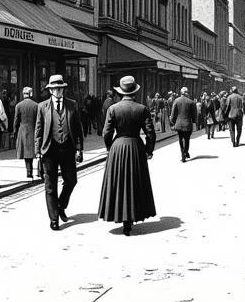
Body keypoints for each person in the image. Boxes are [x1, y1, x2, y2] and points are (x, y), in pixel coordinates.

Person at [98, 75, 156, 235]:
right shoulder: (142, 109)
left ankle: (120, 215)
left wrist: (110, 147)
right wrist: (148, 150)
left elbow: (106, 133)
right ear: (134, 92)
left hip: (118, 147)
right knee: (135, 182)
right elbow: (150, 133)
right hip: (136, 147)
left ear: (120, 92)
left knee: (118, 182)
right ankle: (130, 219)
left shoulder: (113, 109)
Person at [35, 75, 84, 231]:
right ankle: (54, 218)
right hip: (49, 150)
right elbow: (38, 130)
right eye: (55, 88)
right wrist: (37, 152)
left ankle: (61, 205)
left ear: (63, 89)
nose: (58, 91)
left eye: (60, 88)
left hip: (68, 149)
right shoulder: (42, 107)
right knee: (50, 186)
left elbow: (78, 129)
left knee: (71, 180)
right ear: (50, 90)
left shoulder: (72, 105)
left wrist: (79, 148)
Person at [14, 87, 39, 179]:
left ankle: (29, 172)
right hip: (33, 129)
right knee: (35, 151)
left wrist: (15, 132)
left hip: (23, 130)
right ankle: (37, 171)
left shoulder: (18, 105)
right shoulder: (36, 105)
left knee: (26, 153)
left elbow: (16, 121)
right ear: (31, 94)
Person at [170, 87, 197, 162]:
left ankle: (183, 154)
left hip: (178, 124)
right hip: (188, 124)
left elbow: (173, 114)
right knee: (187, 139)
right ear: (187, 93)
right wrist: (194, 122)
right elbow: (194, 115)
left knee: (181, 139)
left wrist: (172, 121)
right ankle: (185, 153)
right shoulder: (191, 102)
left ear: (180, 93)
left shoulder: (176, 101)